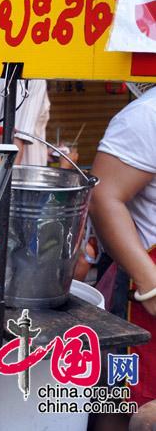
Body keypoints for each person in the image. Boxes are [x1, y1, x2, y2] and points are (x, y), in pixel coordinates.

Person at [89, 85, 156, 410]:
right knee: (128, 401)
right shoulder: (147, 115)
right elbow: (103, 196)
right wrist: (150, 283)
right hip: (146, 296)